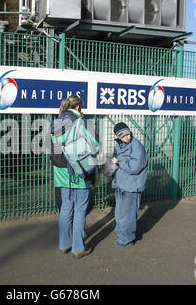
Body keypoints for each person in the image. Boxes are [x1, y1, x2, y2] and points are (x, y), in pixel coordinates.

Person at [49, 95, 99, 258]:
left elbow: (55, 151)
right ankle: (78, 247)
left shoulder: (55, 124)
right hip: (80, 173)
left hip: (62, 174)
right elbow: (96, 145)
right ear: (78, 107)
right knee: (80, 209)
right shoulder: (83, 123)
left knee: (66, 208)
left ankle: (64, 244)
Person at [110, 122, 148, 246]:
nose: (127, 137)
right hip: (121, 184)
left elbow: (135, 167)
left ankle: (127, 238)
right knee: (120, 212)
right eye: (123, 136)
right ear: (118, 136)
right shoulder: (119, 145)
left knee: (128, 214)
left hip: (131, 186)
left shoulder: (137, 146)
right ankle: (121, 232)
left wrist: (119, 161)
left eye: (128, 134)